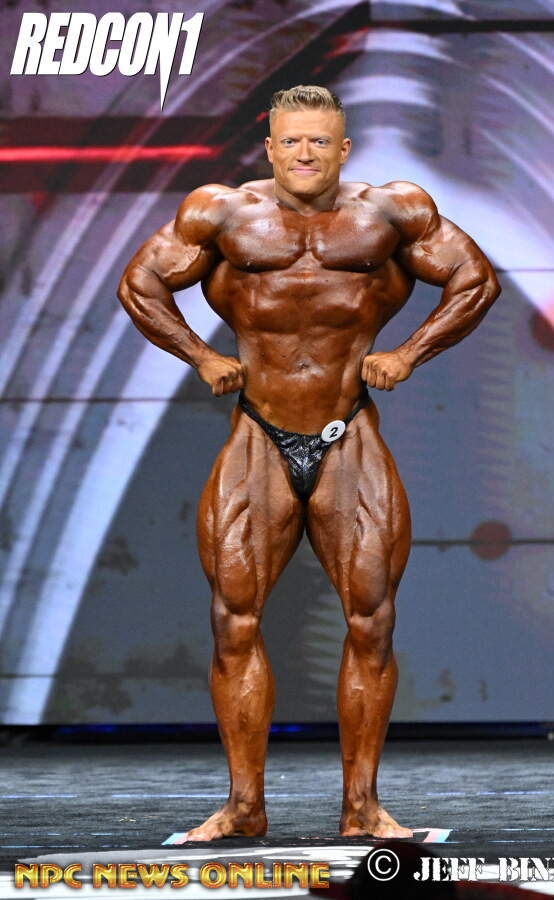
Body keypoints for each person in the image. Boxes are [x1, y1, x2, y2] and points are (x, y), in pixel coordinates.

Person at [117, 85, 501, 841]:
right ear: (269, 147)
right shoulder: (220, 212)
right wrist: (200, 356)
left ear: (343, 148)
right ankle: (243, 808)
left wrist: (409, 353)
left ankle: (362, 808)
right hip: (257, 436)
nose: (304, 154)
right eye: (291, 141)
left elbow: (476, 280)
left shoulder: (391, 211)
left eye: (319, 142)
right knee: (233, 621)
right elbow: (141, 282)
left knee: (372, 621)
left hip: (347, 434)